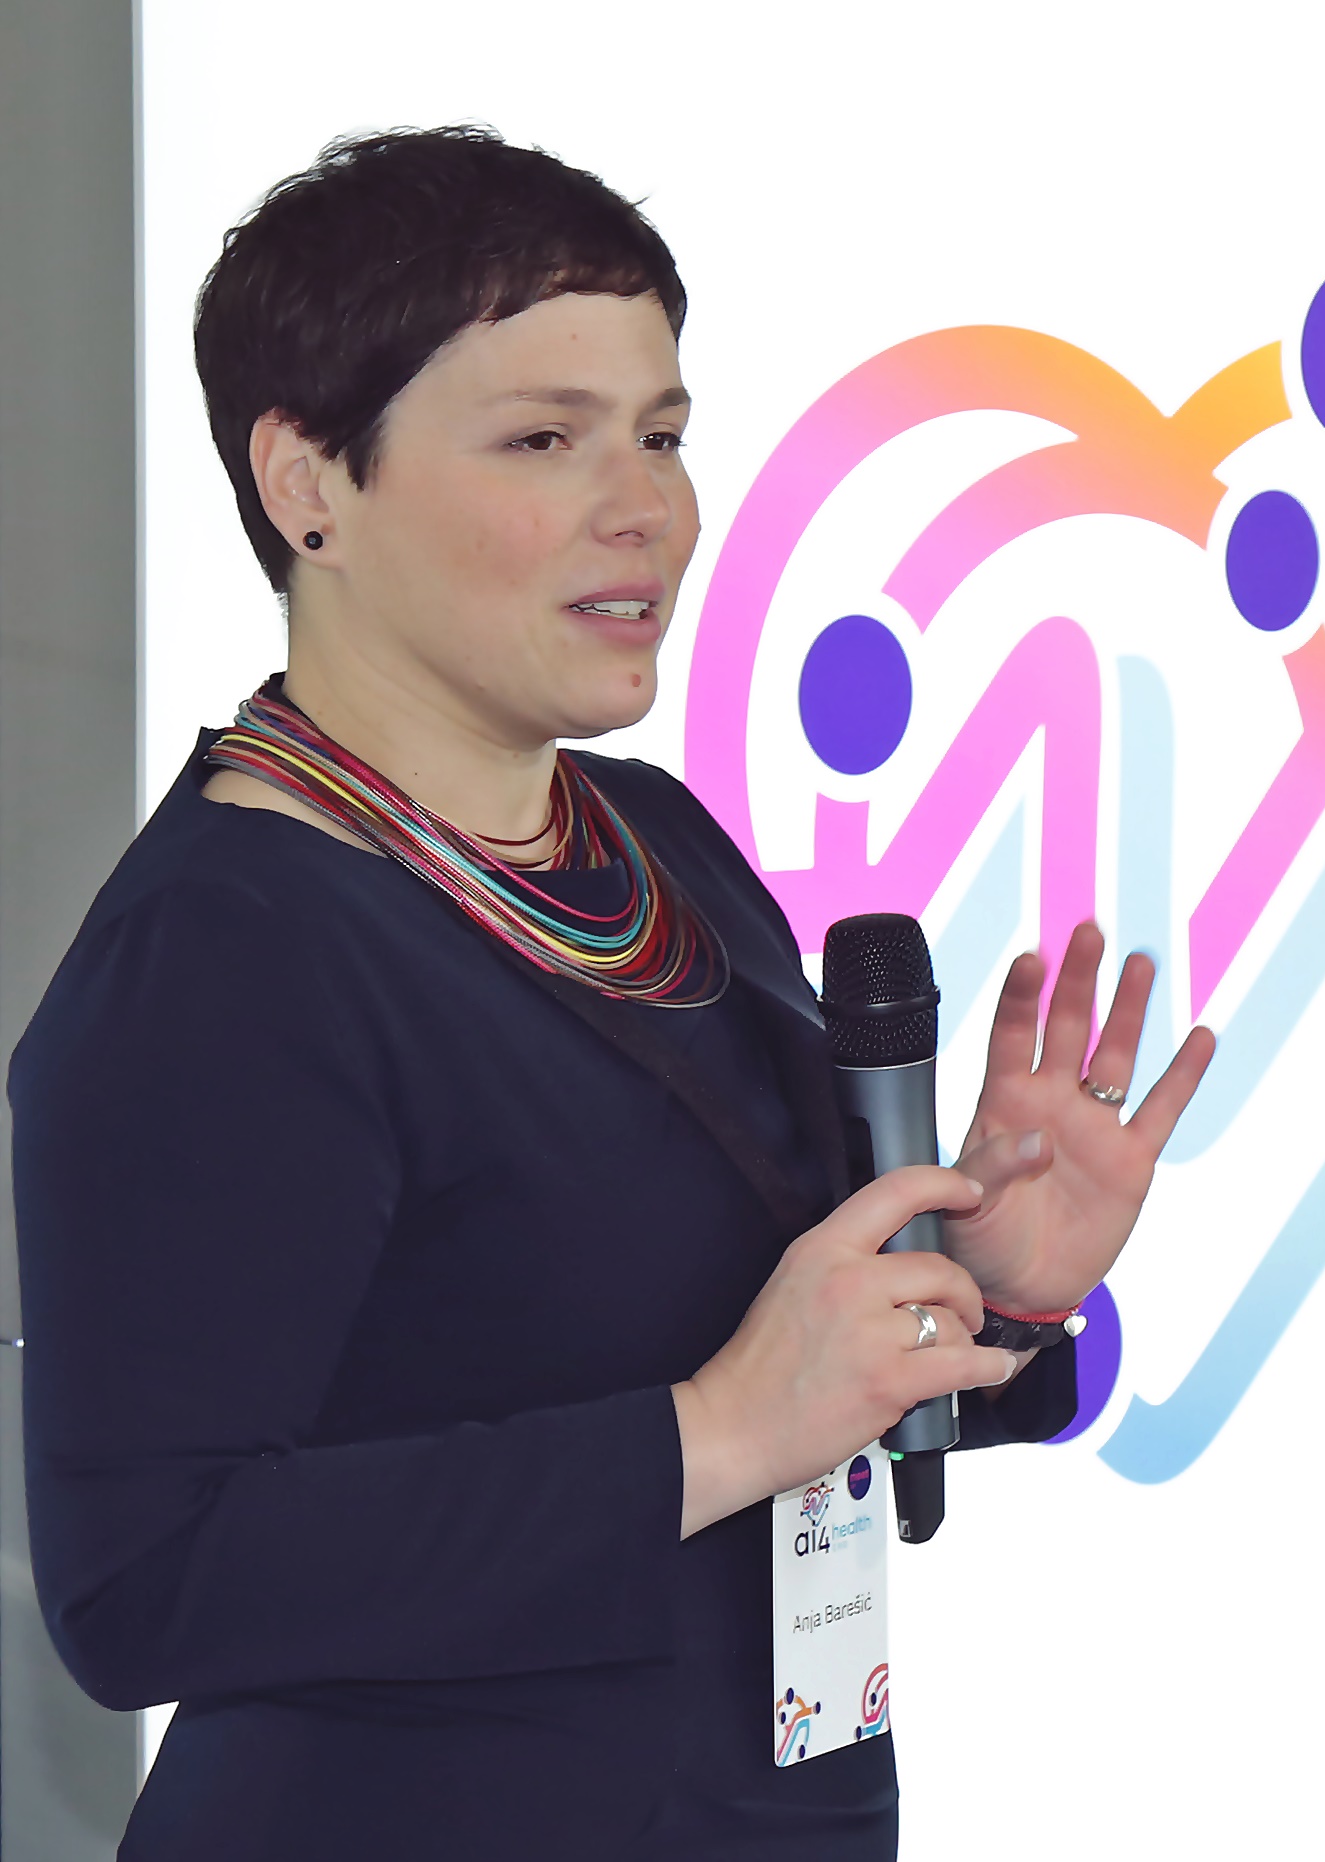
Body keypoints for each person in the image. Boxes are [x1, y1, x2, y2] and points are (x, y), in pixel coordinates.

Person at [10, 126, 1211, 1858]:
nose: (644, 505)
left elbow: (780, 1365)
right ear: (308, 484)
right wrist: (711, 1433)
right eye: (544, 438)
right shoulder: (227, 949)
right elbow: (147, 1582)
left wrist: (991, 1294)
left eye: (660, 433)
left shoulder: (653, 840)